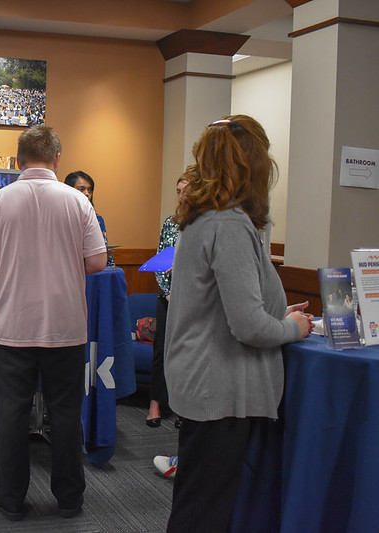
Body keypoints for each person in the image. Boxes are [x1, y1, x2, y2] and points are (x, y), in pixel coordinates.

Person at [163, 115, 313, 532]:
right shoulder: (228, 224)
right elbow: (247, 327)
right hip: (219, 387)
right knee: (204, 511)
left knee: (198, 501)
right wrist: (292, 328)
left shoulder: (203, 217)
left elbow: (220, 308)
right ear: (255, 165)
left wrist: (275, 316)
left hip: (206, 380)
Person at [0, 125, 107, 521]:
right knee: (65, 413)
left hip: (10, 326)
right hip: (65, 326)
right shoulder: (79, 202)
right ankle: (69, 499)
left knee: (13, 413)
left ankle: (10, 498)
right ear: (57, 159)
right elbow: (97, 262)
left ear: (18, 160)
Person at [146, 176, 188, 427]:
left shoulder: (201, 224)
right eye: (178, 190)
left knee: (187, 354)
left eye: (186, 190)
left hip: (191, 301)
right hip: (168, 297)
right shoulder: (170, 224)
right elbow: (162, 264)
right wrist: (168, 293)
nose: (181, 195)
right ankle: (155, 405)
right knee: (160, 350)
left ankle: (184, 409)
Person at [64, 171, 112, 266]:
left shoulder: (98, 219)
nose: (87, 194)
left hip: (95, 268)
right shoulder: (61, 217)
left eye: (90, 190)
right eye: (81, 189)